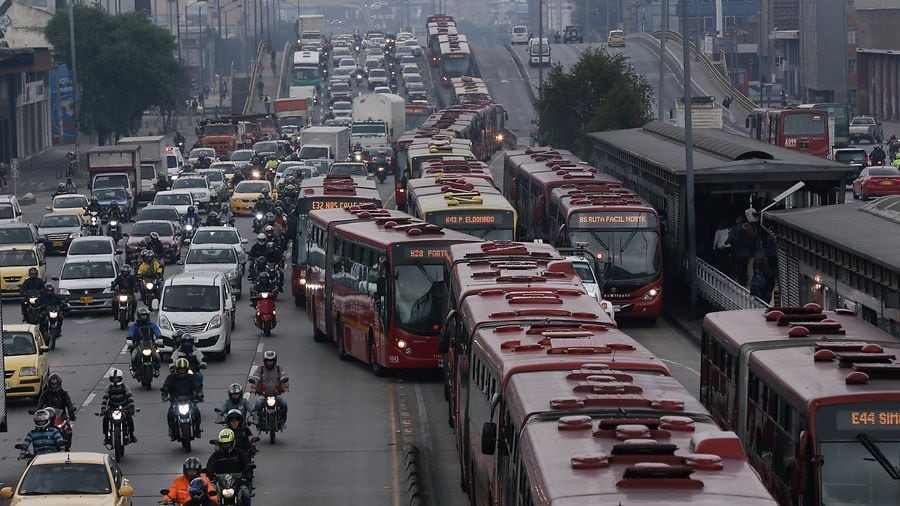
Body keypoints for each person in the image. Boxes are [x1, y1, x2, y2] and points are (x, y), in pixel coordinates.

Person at [206, 429, 252, 505]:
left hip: (238, 483)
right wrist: (210, 474)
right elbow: (209, 467)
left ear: (233, 442)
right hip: (221, 484)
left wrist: (246, 474)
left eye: (227, 444)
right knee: (210, 497)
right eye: (223, 444)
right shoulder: (216, 455)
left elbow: (246, 464)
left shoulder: (239, 453)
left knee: (246, 494)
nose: (225, 446)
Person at [161, 357, 203, 440]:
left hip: (189, 400)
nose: (182, 371)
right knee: (170, 415)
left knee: (197, 413)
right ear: (177, 369)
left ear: (187, 369)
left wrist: (199, 394)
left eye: (184, 369)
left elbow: (197, 386)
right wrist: (164, 395)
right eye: (180, 369)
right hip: (175, 401)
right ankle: (172, 431)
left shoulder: (191, 377)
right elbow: (165, 387)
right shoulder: (171, 378)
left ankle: (197, 429)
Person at [250, 350, 288, 429]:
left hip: (276, 394)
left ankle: (282, 422)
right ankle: (258, 421)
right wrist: (253, 388)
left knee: (284, 404)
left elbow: (284, 377)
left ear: (274, 360)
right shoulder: (260, 369)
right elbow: (256, 377)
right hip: (263, 394)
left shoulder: (278, 368)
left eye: (271, 361)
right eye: (268, 361)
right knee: (258, 403)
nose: (269, 363)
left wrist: (285, 387)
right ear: (265, 361)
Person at [100, 368, 137, 445]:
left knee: (130, 418)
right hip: (112, 409)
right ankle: (106, 437)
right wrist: (103, 409)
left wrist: (131, 408)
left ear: (120, 378)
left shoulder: (125, 387)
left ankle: (131, 434)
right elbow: (105, 400)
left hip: (124, 408)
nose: (115, 380)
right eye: (113, 379)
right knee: (105, 419)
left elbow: (130, 398)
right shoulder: (108, 388)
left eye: (117, 378)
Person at [127, 307, 161, 376]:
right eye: (142, 315)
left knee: (157, 356)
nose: (144, 317)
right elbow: (131, 332)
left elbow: (157, 330)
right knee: (134, 356)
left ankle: (157, 369)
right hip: (138, 345)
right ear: (139, 316)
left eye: (145, 315)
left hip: (150, 344)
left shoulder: (151, 325)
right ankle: (134, 370)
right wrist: (129, 340)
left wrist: (159, 338)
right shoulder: (135, 326)